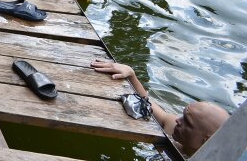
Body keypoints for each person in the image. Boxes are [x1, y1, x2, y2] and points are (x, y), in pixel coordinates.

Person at [90, 59, 230, 155]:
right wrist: (131, 75)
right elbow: (148, 104)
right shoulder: (172, 128)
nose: (177, 121)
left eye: (187, 123)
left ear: (206, 141)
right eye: (183, 116)